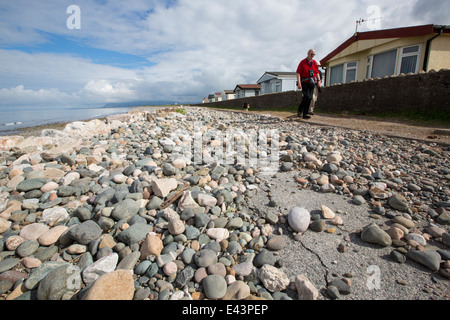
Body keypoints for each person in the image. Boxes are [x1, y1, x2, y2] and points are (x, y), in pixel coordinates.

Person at [296, 49, 321, 119]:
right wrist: (299, 83)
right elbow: (298, 73)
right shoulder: (302, 62)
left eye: (313, 54)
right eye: (311, 54)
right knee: (306, 97)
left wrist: (319, 80)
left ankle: (305, 114)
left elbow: (317, 72)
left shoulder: (314, 63)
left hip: (311, 82)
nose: (312, 56)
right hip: (304, 82)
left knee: (310, 98)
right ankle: (299, 110)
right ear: (308, 54)